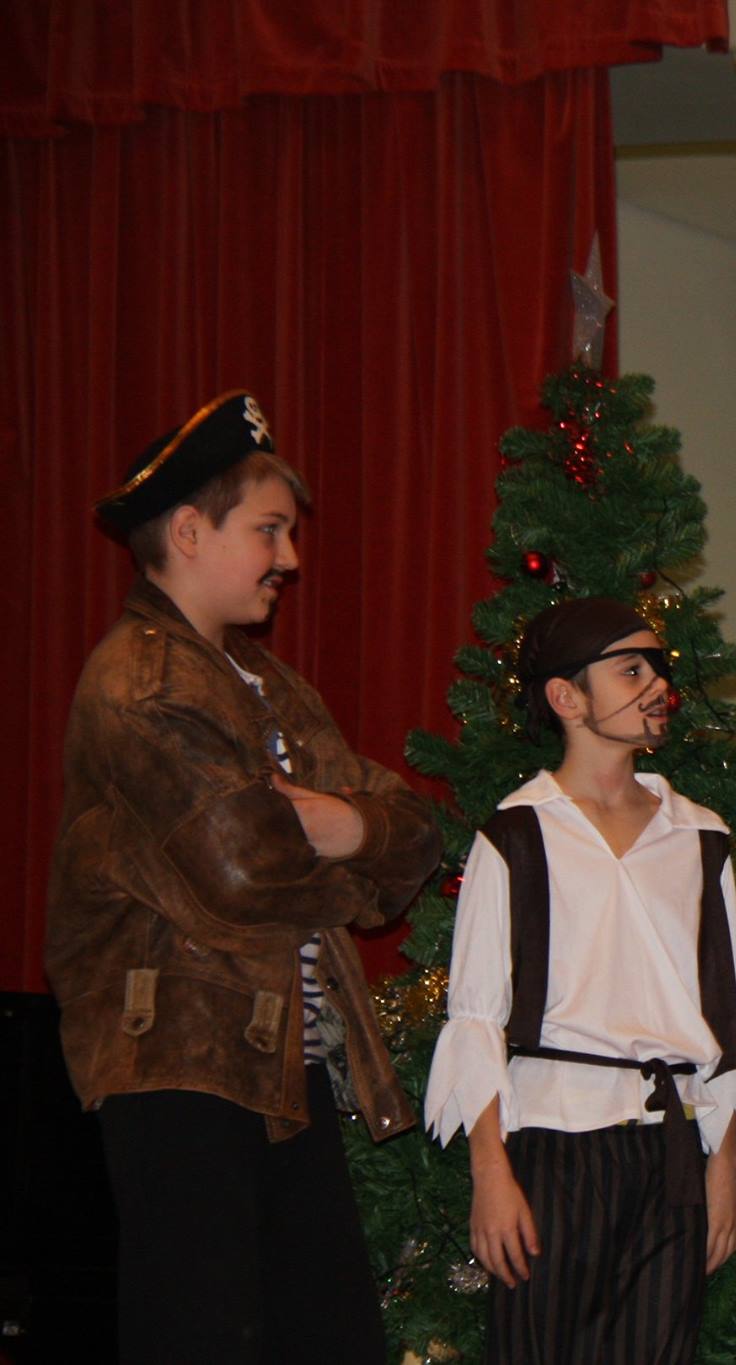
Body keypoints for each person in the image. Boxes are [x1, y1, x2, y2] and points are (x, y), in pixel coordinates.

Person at [45, 390, 441, 1364]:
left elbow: (414, 834)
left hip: (278, 1066)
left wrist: (348, 825)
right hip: (180, 1069)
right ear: (188, 532)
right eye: (269, 530)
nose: (290, 558)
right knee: (202, 1334)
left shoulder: (266, 684)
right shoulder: (140, 684)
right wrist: (349, 845)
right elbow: (245, 869)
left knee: (330, 1336)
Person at [424, 595, 736, 1365]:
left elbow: (724, 1015)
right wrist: (491, 1170)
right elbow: (476, 1014)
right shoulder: (516, 834)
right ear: (566, 697)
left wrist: (725, 1161)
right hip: (554, 1148)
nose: (658, 685)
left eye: (659, 669)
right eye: (631, 670)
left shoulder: (700, 837)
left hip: (670, 1151)